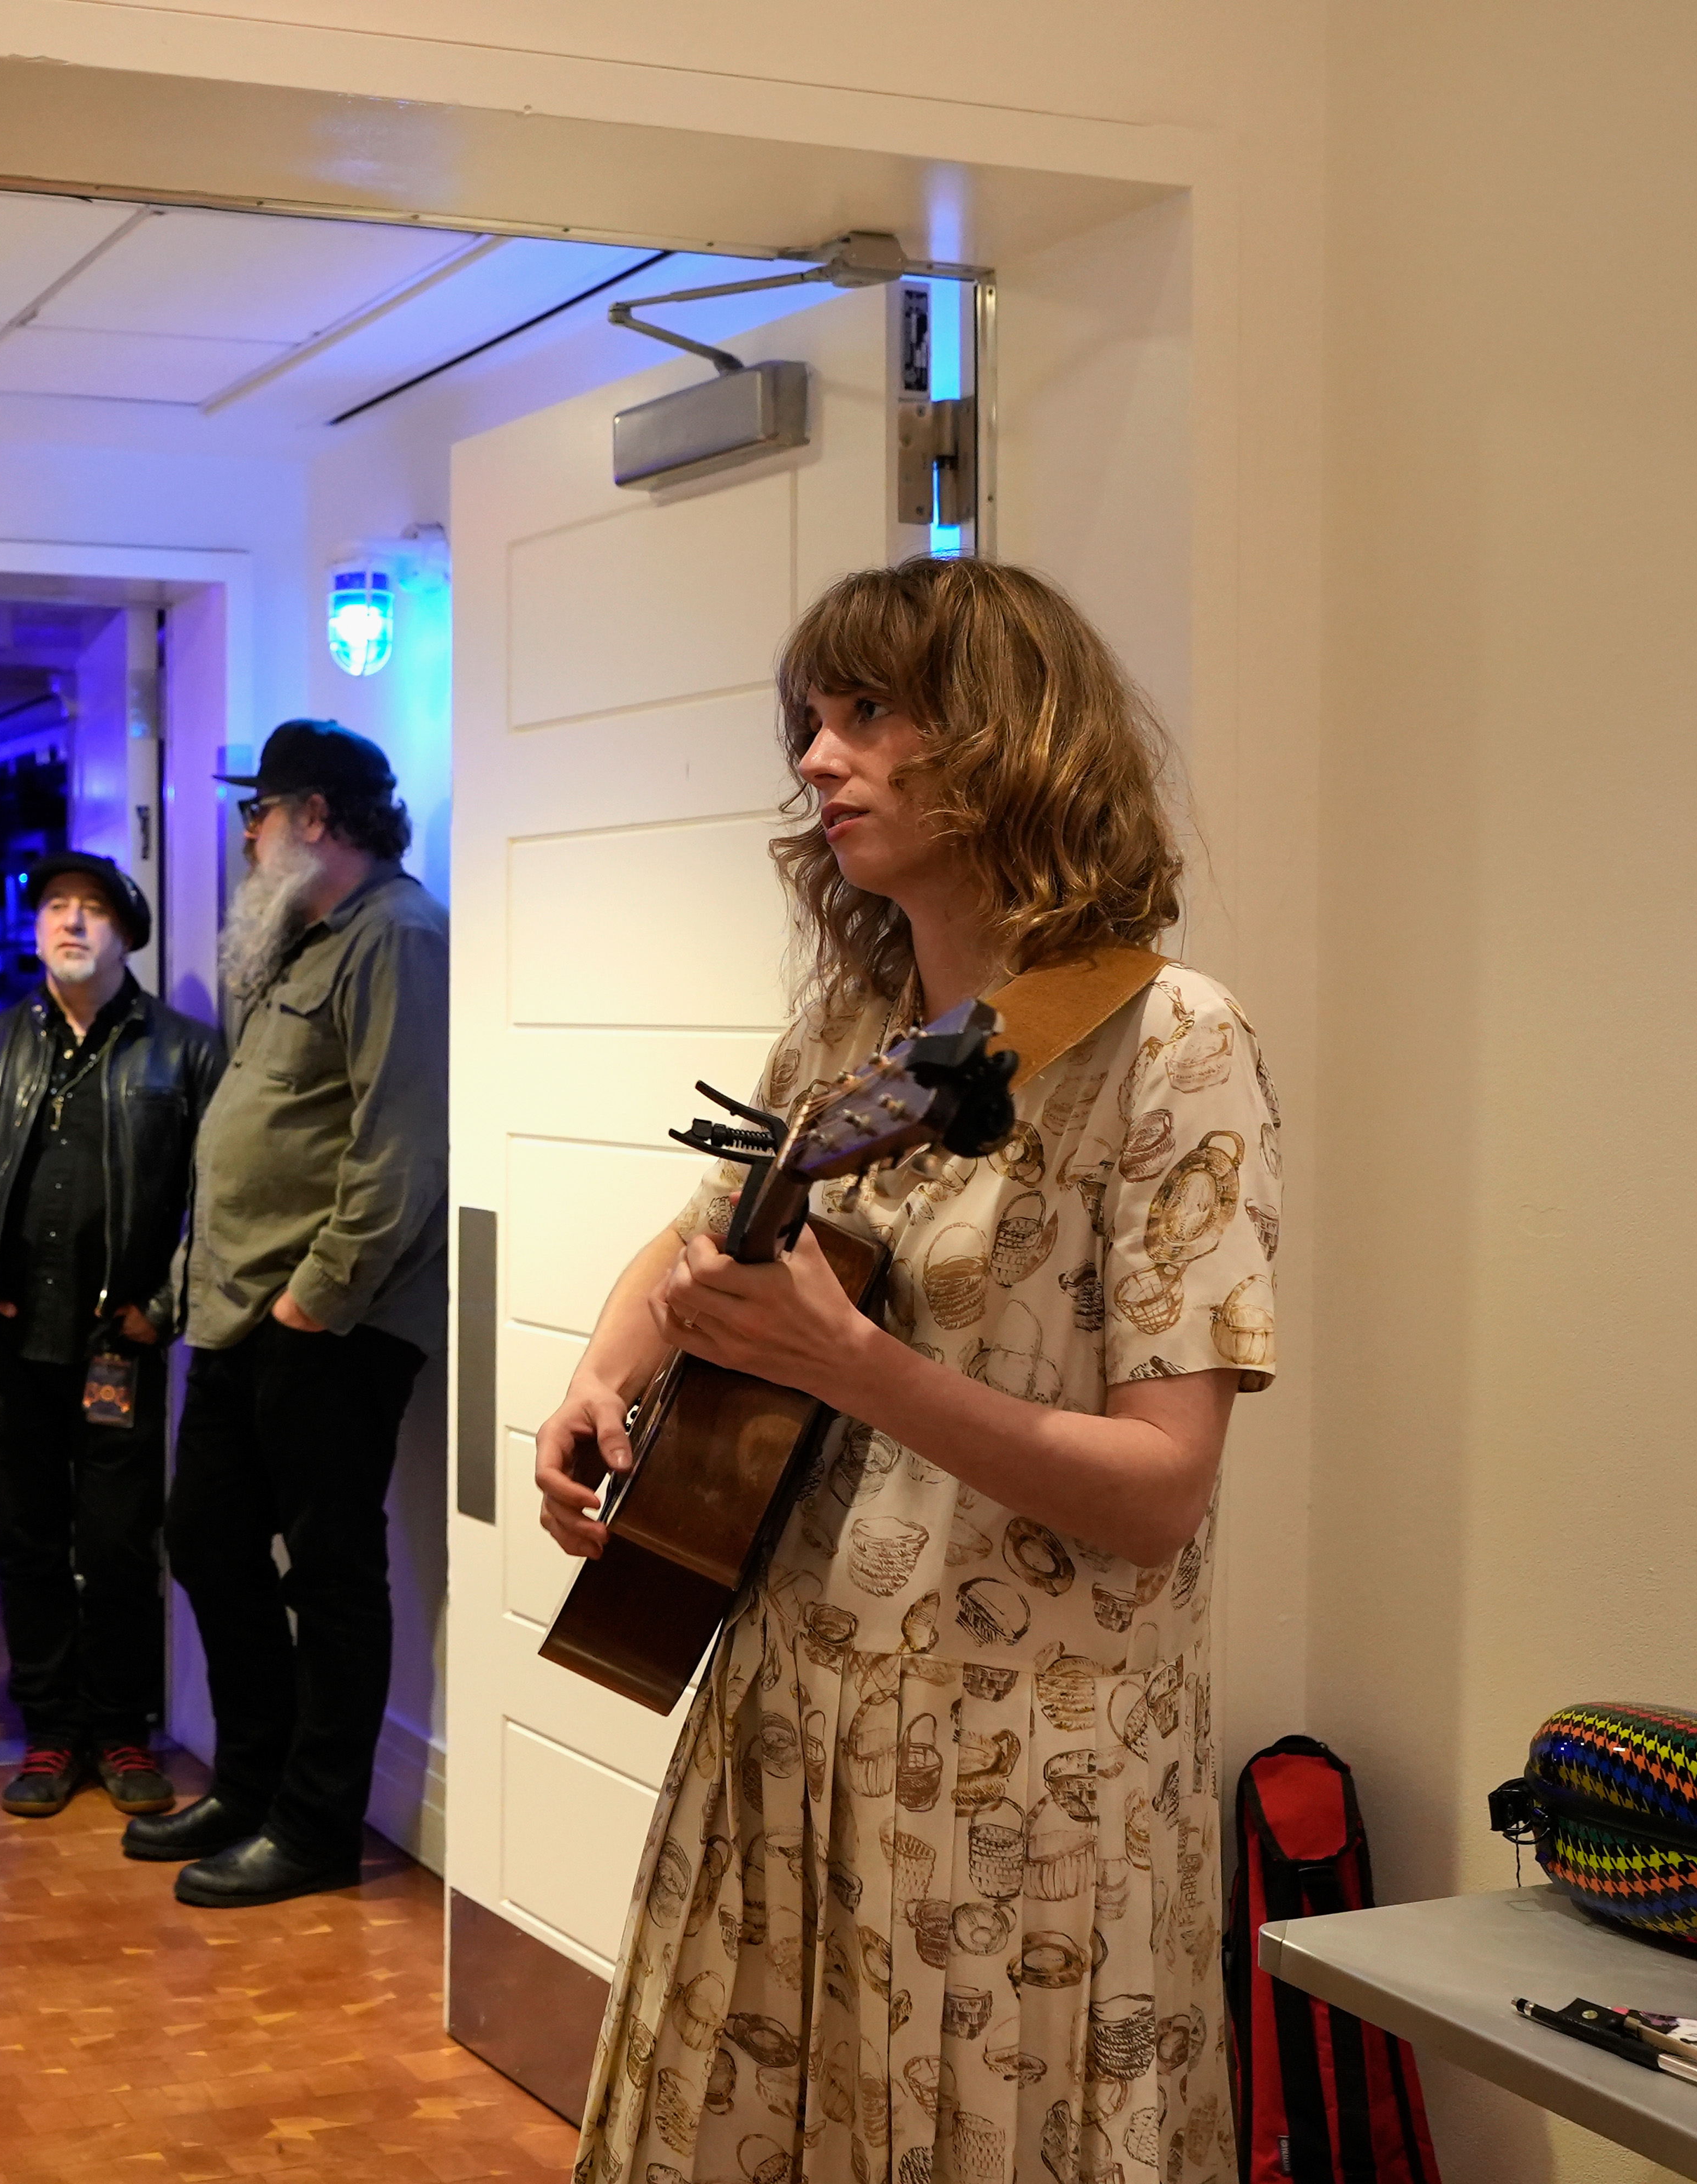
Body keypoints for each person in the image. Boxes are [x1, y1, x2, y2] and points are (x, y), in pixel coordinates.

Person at [541, 559, 1276, 2184]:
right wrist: (601, 1377)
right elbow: (688, 1259)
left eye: (866, 711)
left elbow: (1160, 1489)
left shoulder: (1172, 1042)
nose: (815, 756)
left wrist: (855, 1363)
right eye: (810, 717)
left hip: (1021, 1787)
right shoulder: (850, 1022)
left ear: (1009, 736)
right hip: (790, 1718)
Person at [131, 720, 448, 1909]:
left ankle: (314, 1825)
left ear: (316, 814)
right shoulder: (310, 937)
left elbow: (401, 1147)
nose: (247, 833)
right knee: (208, 1538)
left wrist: (320, 1300)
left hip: (325, 1320)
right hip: (239, 1310)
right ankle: (251, 1782)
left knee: (330, 1571)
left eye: (257, 812)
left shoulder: (400, 937)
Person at [0, 852, 221, 1821]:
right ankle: (50, 1733)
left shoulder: (184, 1051)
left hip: (117, 1348)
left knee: (123, 1547)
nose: (70, 923)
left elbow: (217, 1202)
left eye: (92, 910)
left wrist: (163, 1307)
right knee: (27, 1545)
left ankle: (121, 1732)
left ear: (127, 934)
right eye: (55, 907)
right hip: (5, 1345)